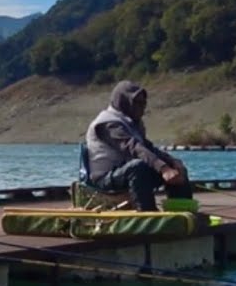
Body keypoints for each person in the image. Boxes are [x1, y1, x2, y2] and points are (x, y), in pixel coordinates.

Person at [80, 80, 194, 211]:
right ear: (124, 101)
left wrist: (172, 162)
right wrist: (163, 168)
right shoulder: (108, 123)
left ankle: (183, 212)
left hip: (127, 172)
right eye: (137, 103)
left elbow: (148, 148)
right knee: (138, 167)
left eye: (143, 103)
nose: (142, 107)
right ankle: (148, 215)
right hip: (104, 178)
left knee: (176, 168)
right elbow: (133, 148)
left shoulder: (132, 123)